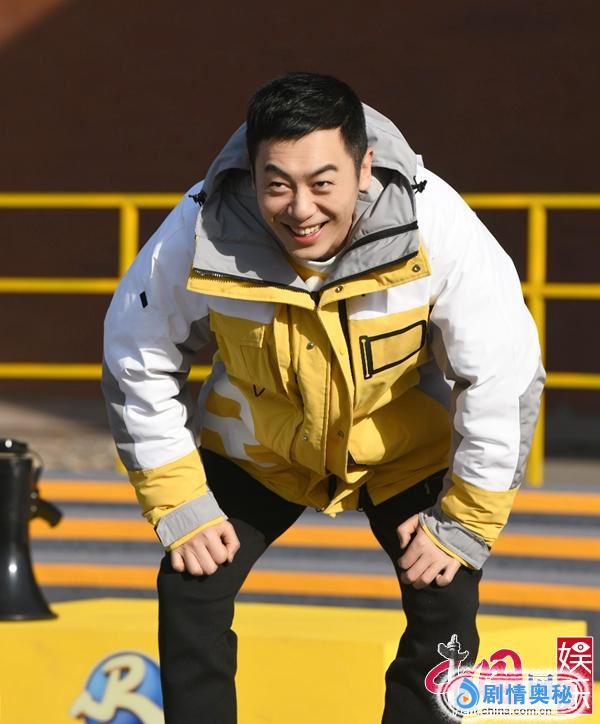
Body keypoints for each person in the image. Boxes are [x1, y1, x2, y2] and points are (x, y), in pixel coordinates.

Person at [102, 71, 544, 723]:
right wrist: (179, 503)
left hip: (400, 450)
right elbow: (134, 351)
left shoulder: (434, 223)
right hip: (259, 447)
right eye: (277, 184)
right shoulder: (204, 225)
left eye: (322, 183)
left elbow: (505, 372)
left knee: (446, 593)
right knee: (192, 583)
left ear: (364, 167)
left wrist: (465, 524)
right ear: (252, 173)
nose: (300, 209)